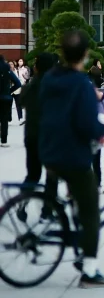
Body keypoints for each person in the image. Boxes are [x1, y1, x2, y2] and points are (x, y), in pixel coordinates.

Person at [39, 30, 104, 288]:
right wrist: (99, 130)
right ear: (84, 55)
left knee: (73, 198)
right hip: (73, 154)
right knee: (91, 210)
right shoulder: (81, 84)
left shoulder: (49, 78)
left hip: (48, 150)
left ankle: (68, 229)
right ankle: (89, 270)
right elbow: (85, 123)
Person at [19, 52, 58, 199]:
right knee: (52, 175)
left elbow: (22, 101)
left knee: (33, 174)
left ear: (36, 67)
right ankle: (47, 210)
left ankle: (21, 203)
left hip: (31, 135)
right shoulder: (54, 86)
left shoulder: (30, 86)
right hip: (49, 136)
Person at [0, 55, 22, 147]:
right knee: (4, 119)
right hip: (5, 97)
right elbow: (18, 83)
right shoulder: (7, 69)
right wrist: (9, 91)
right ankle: (4, 140)